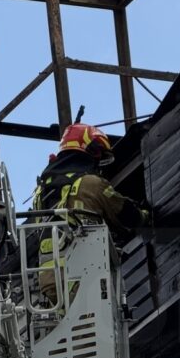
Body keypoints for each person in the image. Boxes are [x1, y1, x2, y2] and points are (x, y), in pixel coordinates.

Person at [32, 122, 150, 305]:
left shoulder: (41, 193)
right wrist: (146, 214)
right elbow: (128, 216)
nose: (98, 162)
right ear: (89, 151)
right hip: (82, 276)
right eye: (98, 154)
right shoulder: (91, 183)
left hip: (50, 284)